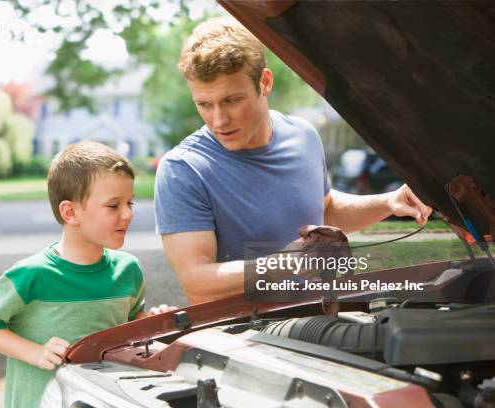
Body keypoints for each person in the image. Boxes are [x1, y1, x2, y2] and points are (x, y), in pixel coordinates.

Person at [154, 17, 432, 305]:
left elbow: (324, 211)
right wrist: (283, 263)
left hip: (319, 315)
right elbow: (198, 282)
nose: (219, 120)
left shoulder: (303, 136)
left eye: (231, 100)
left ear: (264, 82)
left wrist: (388, 203)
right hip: (236, 337)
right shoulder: (183, 170)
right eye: (204, 104)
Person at [0, 141, 171, 408]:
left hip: (104, 400)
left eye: (129, 203)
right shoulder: (32, 274)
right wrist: (36, 353)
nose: (128, 214)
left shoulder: (128, 270)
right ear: (70, 212)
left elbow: (131, 321)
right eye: (113, 205)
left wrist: (154, 322)